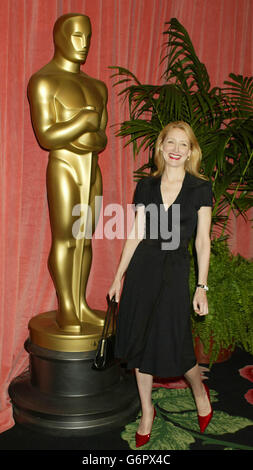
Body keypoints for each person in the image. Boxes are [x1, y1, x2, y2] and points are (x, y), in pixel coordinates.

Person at [108, 121, 213, 447]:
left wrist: (202, 286)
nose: (177, 149)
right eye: (171, 143)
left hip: (176, 270)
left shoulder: (199, 188)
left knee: (177, 341)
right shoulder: (146, 186)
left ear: (191, 150)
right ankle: (147, 410)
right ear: (161, 146)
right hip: (143, 270)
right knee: (139, 342)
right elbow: (136, 233)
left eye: (184, 144)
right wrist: (118, 276)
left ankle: (199, 391)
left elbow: (203, 241)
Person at [27, 14, 108, 332]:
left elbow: (101, 139)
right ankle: (67, 309)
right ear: (59, 37)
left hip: (92, 169)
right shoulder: (44, 81)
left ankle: (81, 304)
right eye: (76, 36)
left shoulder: (97, 86)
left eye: (88, 37)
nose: (84, 44)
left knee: (86, 239)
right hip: (63, 166)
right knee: (66, 240)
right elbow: (46, 136)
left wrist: (85, 129)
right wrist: (83, 122)